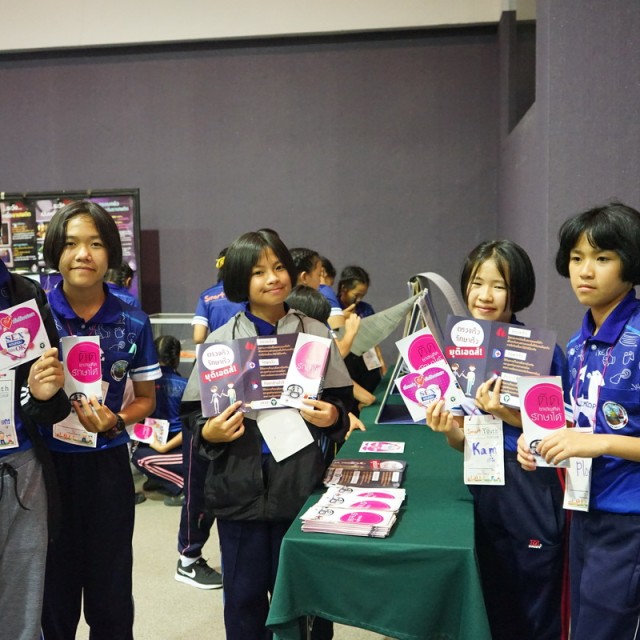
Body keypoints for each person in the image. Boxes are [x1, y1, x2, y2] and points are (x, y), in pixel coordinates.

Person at [181, 230, 353, 640]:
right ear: (240, 280)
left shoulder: (315, 334)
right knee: (244, 601)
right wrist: (211, 431)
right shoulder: (221, 342)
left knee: (306, 602)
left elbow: (344, 404)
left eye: (278, 268)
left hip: (302, 487)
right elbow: (192, 417)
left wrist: (334, 415)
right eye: (258, 272)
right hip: (239, 492)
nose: (272, 278)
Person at [426, 240, 571, 640]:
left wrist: (507, 413)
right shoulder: (461, 353)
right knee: (491, 592)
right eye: (477, 283)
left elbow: (560, 439)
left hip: (532, 486)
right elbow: (463, 442)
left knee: (535, 594)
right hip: (483, 480)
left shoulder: (542, 353)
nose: (484, 295)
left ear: (517, 290)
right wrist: (447, 428)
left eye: (499, 285)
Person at [517, 202, 640, 639]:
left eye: (602, 258)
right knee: (583, 624)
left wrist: (600, 443)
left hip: (629, 518)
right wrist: (540, 445)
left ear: (631, 261)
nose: (585, 271)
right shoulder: (579, 342)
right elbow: (576, 424)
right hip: (585, 507)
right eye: (576, 258)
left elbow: (598, 437)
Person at [40, 200, 161, 640]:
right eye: (71, 244)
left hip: (108, 467)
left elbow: (146, 399)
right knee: (53, 593)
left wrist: (116, 419)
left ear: (110, 251)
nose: (82, 255)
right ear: (56, 252)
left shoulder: (133, 320)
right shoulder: (34, 316)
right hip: (45, 469)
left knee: (111, 592)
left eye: (94, 244)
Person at [0, 251, 70, 640]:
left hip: (21, 466)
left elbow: (50, 405)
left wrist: (43, 393)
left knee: (22, 610)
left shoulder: (23, 294)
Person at [132, 335, 186, 506]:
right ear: (177, 358)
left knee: (138, 457)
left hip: (156, 443)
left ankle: (183, 487)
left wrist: (162, 446)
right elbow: (190, 426)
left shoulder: (141, 386)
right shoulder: (185, 385)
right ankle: (164, 478)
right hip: (179, 444)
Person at [338, 265, 387, 394]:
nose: (358, 299)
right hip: (346, 366)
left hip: (368, 364)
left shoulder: (366, 309)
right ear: (344, 288)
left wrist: (381, 362)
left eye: (362, 295)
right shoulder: (334, 310)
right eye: (356, 295)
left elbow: (374, 339)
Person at [192, 247, 244, 345]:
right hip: (247, 350)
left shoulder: (206, 297)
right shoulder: (249, 293)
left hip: (219, 351)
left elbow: (198, 337)